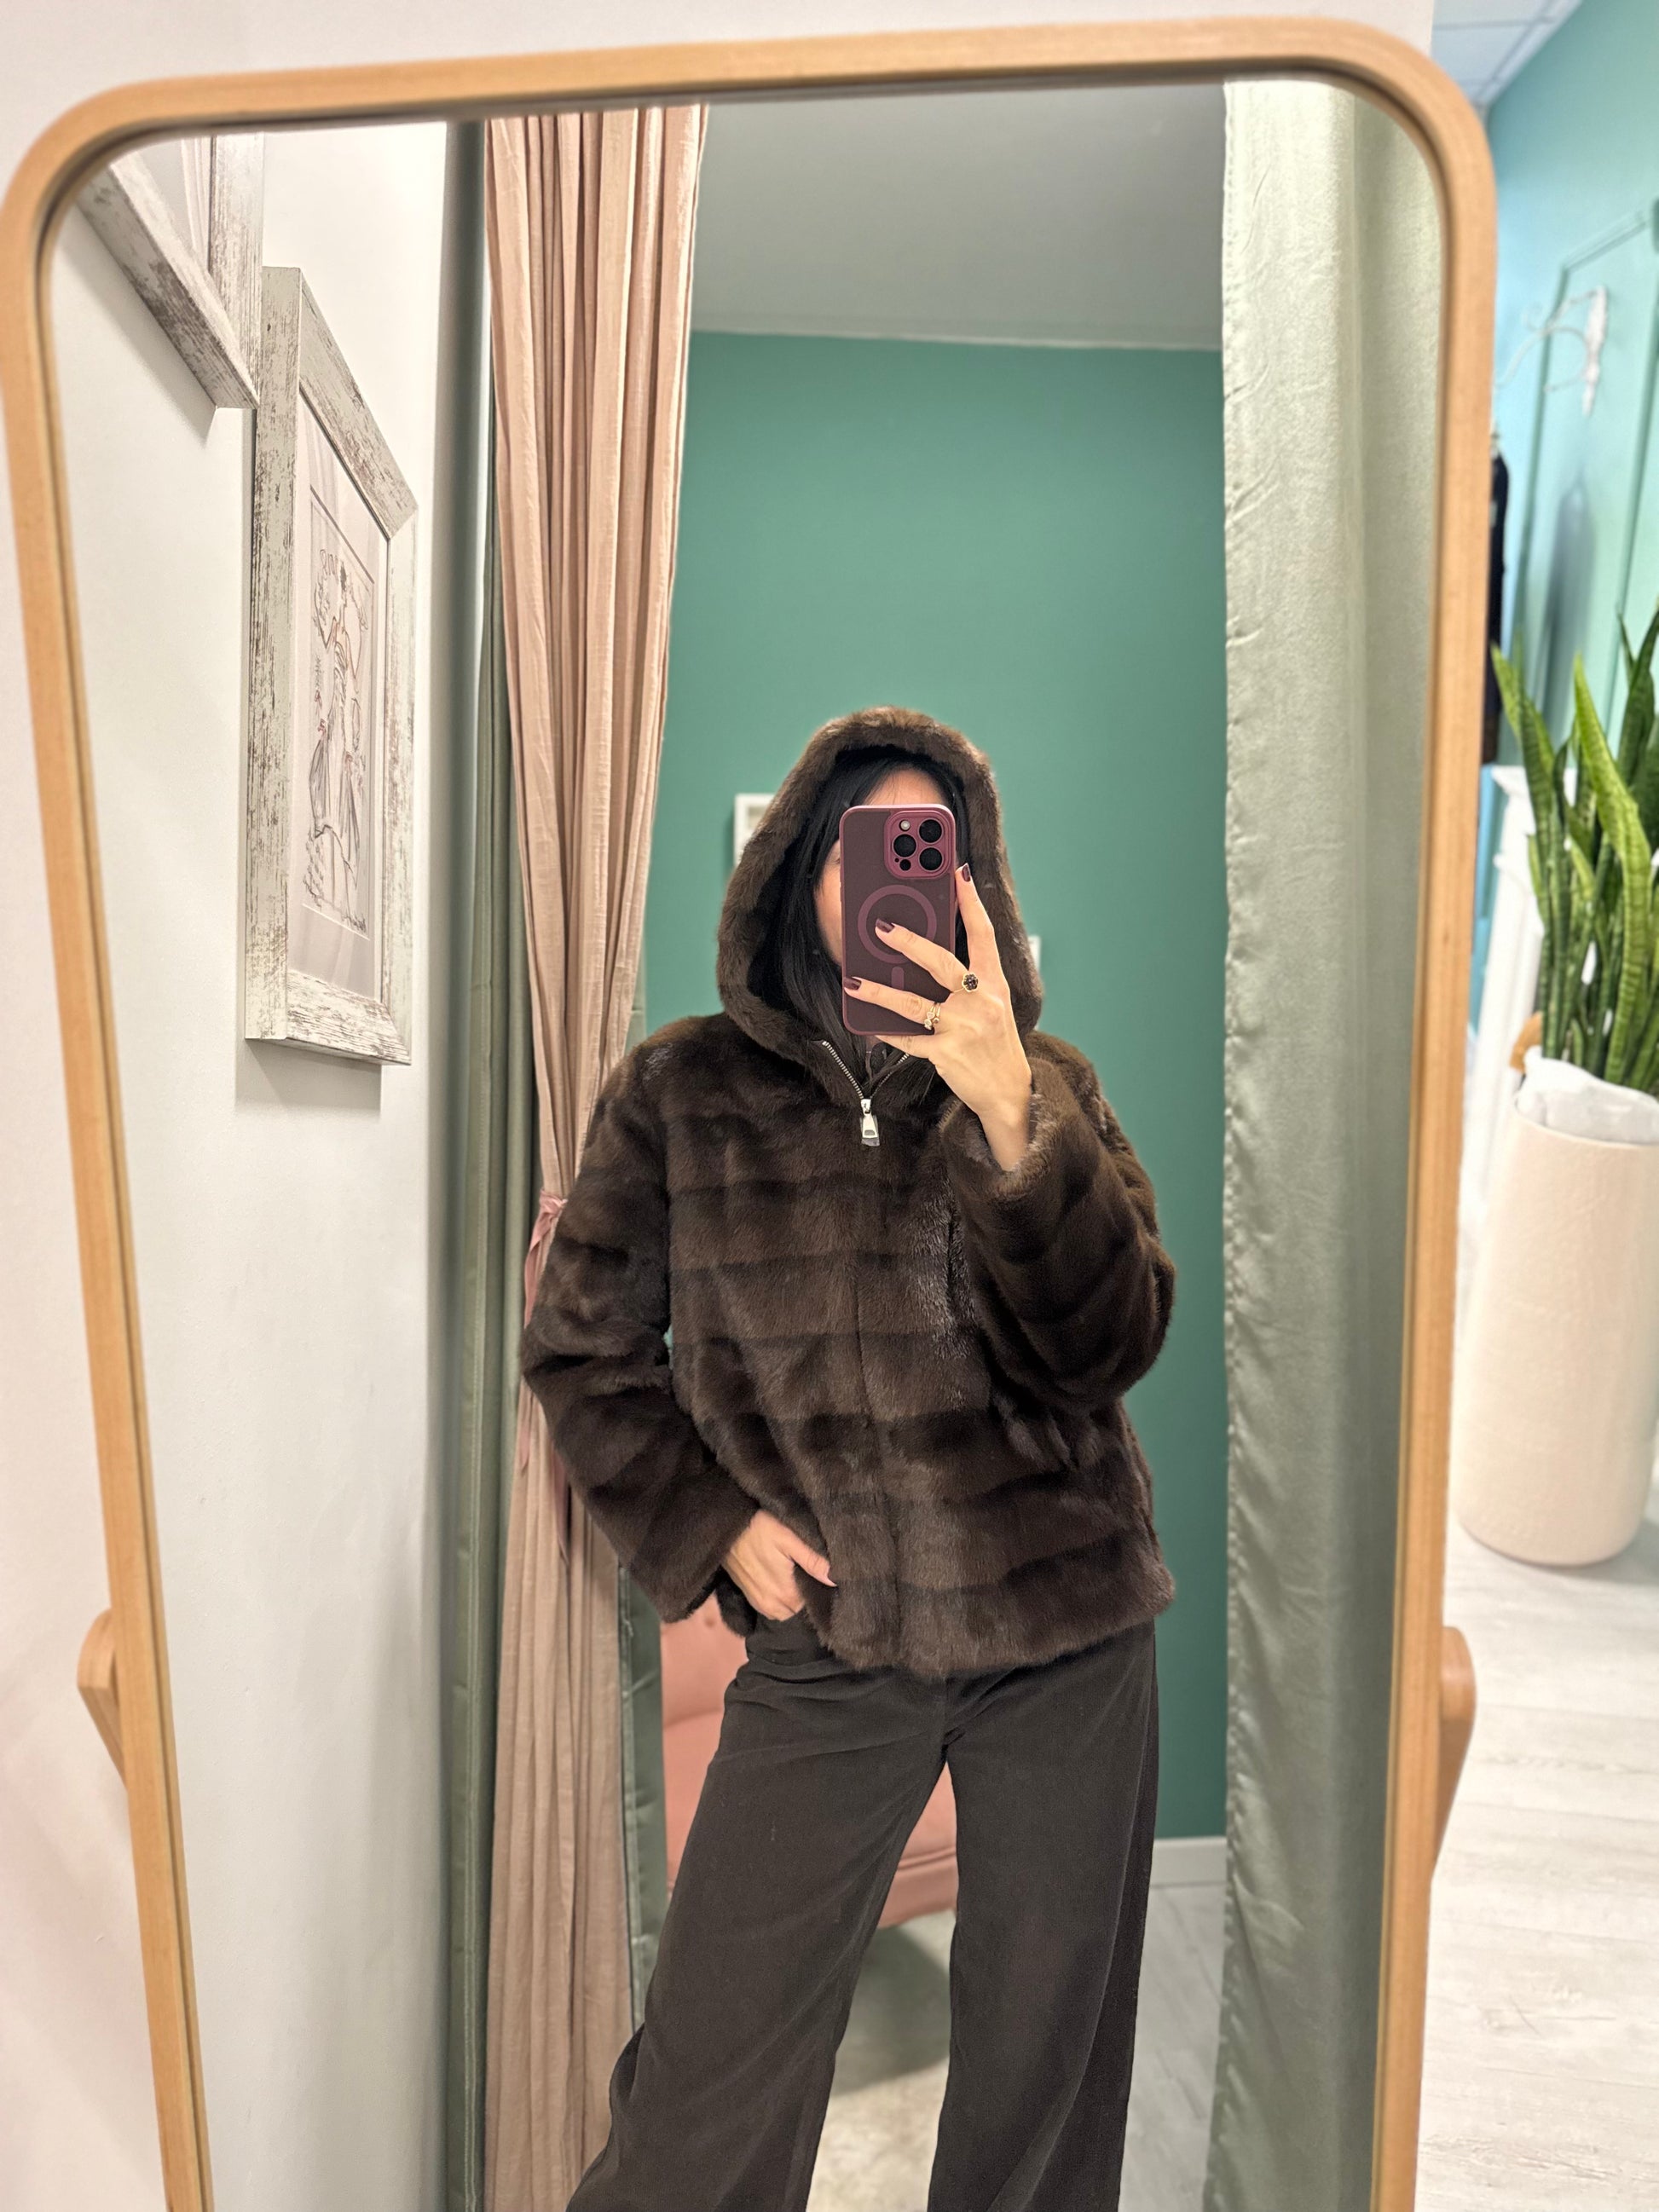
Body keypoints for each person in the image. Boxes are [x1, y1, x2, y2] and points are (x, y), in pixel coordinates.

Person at [523, 704, 1177, 2212]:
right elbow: (581, 1349)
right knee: (706, 2085)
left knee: (1042, 2076)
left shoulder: (1044, 1081)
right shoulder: (679, 1095)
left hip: (1067, 1636)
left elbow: (1113, 1340)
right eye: (867, 849)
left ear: (971, 883)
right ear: (801, 872)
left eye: (931, 851)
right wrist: (709, 1522)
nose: (898, 881)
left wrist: (1011, 1117)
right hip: (831, 1645)